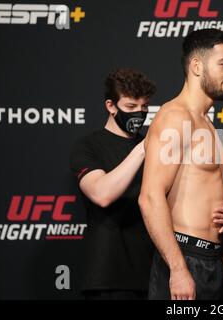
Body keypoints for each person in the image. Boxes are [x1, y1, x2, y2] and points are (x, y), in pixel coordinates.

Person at [139, 29, 223, 300]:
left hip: (212, 261)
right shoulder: (175, 117)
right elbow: (150, 197)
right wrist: (178, 269)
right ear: (196, 66)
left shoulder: (206, 123)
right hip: (185, 260)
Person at [70, 68, 156, 299]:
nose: (138, 114)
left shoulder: (156, 147)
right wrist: (142, 149)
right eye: (130, 107)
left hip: (156, 274)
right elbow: (102, 194)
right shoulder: (88, 146)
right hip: (110, 276)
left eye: (144, 107)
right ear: (111, 105)